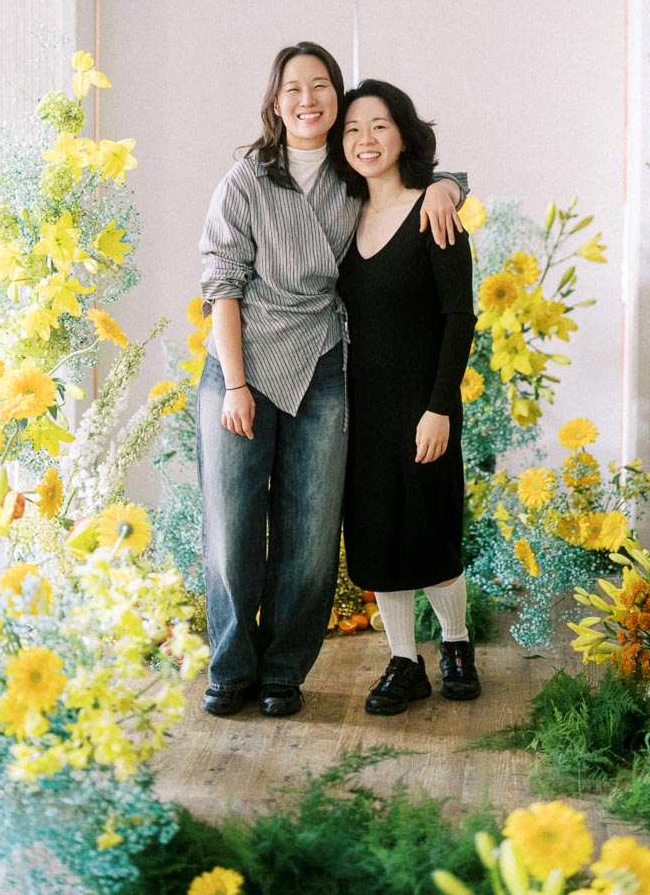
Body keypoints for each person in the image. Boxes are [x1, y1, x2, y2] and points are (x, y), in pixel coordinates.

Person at [197, 41, 465, 718]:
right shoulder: (247, 179)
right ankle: (232, 670)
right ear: (275, 100)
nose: (308, 99)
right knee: (233, 531)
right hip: (241, 366)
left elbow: (417, 177)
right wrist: (234, 385)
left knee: (311, 535)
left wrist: (449, 183)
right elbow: (221, 286)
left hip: (320, 366)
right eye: (294, 87)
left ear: (338, 102)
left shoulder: (351, 178)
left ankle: (285, 671)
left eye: (322, 87)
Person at [334, 80, 479, 715]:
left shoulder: (434, 212)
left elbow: (460, 317)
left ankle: (456, 644)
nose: (366, 140)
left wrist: (440, 406)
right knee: (375, 538)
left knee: (429, 533)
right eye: (353, 130)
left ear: (404, 135)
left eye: (380, 126)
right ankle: (403, 661)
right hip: (361, 411)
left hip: (426, 407)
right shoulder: (339, 217)